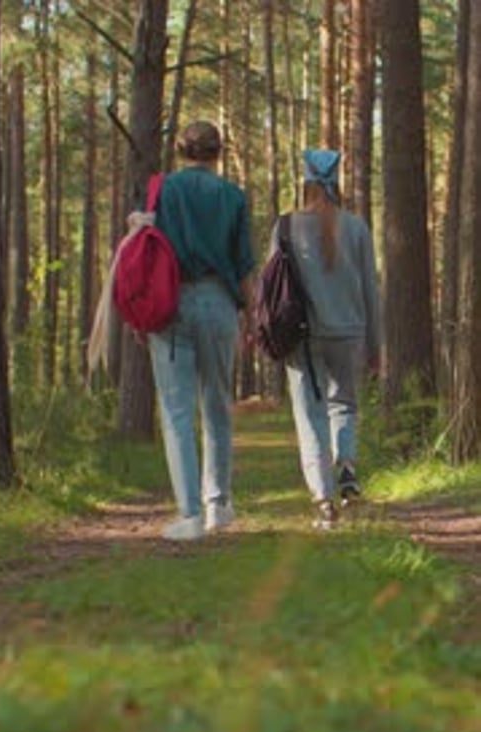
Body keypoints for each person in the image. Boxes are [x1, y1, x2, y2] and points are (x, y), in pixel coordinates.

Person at [149, 121, 255, 541]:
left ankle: (189, 514)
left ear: (180, 150)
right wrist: (250, 315)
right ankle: (218, 505)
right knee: (217, 406)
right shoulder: (232, 195)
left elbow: (148, 248)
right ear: (218, 152)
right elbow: (244, 263)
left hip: (170, 302)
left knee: (176, 412)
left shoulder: (163, 190)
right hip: (219, 303)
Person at [269, 148, 380, 529]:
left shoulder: (285, 226)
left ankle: (324, 502)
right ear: (337, 183)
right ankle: (346, 466)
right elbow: (370, 291)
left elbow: (271, 289)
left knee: (310, 416)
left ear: (306, 182)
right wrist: (375, 345)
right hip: (349, 333)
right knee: (344, 406)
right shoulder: (358, 227)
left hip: (303, 336)